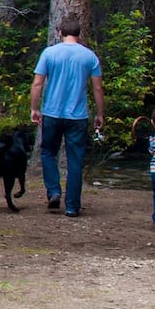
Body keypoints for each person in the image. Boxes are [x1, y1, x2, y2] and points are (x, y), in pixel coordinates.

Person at [29, 16, 105, 217]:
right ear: (79, 34)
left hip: (52, 112)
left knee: (47, 152)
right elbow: (97, 88)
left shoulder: (49, 53)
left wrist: (34, 108)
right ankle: (72, 206)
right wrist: (100, 113)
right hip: (78, 115)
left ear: (60, 33)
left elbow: (37, 83)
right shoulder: (89, 57)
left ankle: (54, 191)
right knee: (75, 160)